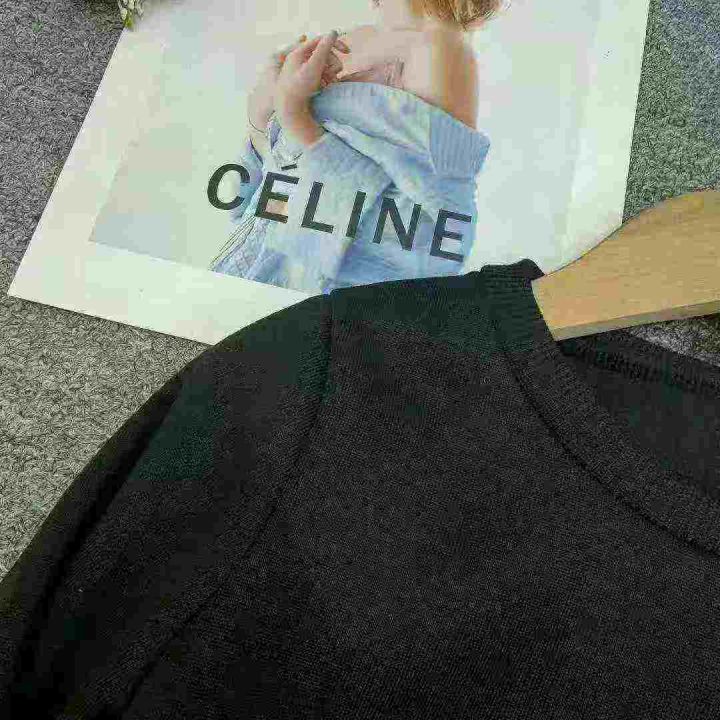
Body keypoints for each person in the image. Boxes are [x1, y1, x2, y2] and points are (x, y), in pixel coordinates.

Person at [210, 0, 501, 295]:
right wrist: (261, 117)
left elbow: (435, 241)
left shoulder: (440, 51)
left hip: (315, 309)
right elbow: (250, 213)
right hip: (239, 283)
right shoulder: (350, 39)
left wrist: (296, 119)